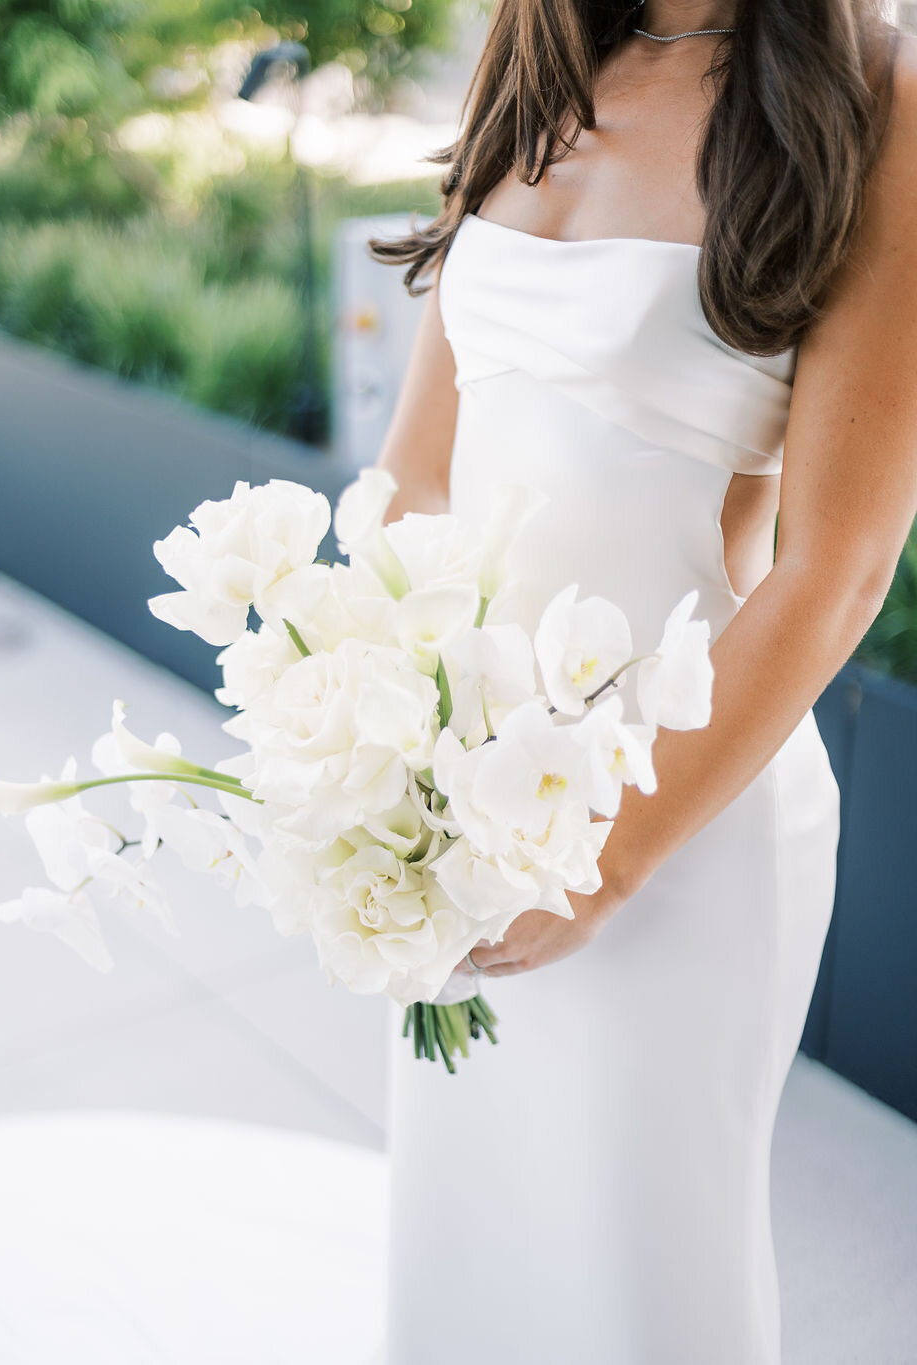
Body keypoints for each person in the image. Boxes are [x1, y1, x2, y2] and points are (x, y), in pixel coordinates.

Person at [367, 1, 915, 1360]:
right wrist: (379, 773)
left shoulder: (881, 87)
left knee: (646, 1288)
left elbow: (838, 564)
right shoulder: (537, 47)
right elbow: (418, 468)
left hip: (681, 833)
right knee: (468, 1245)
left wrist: (595, 864)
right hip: (464, 820)